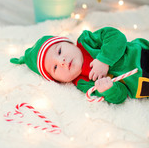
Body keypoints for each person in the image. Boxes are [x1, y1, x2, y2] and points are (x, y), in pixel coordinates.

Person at [10, 27, 149, 104]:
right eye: (55, 68)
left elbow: (115, 36)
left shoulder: (87, 41)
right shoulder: (83, 83)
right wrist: (109, 90)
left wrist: (104, 60)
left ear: (69, 43)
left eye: (59, 51)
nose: (62, 61)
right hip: (143, 85)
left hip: (141, 54)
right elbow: (121, 96)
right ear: (59, 81)